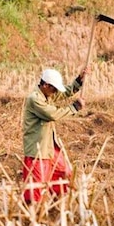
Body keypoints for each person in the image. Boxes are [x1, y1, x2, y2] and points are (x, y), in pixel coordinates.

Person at [21, 67, 86, 204]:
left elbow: (64, 93)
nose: (55, 92)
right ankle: (33, 216)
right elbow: (52, 114)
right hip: (38, 151)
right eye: (54, 89)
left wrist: (79, 80)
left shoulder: (47, 94)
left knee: (65, 174)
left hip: (50, 146)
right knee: (36, 191)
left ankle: (56, 207)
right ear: (45, 85)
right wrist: (74, 108)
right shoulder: (35, 99)